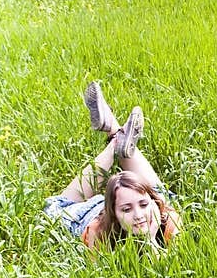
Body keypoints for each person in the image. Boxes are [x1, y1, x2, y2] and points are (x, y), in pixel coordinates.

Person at [43, 81, 181, 252]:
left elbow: (171, 270)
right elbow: (98, 277)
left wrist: (151, 240)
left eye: (144, 205)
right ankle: (116, 142)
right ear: (113, 214)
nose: (139, 216)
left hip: (127, 196)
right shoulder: (98, 232)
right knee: (54, 209)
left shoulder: (169, 220)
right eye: (127, 210)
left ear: (151, 202)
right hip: (87, 214)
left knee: (163, 194)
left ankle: (115, 135)